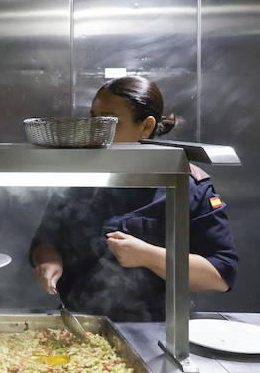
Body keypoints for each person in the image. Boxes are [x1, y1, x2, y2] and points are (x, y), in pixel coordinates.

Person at [30, 75, 237, 321]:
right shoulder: (82, 179)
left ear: (147, 126)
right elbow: (45, 241)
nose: (97, 129)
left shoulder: (186, 185)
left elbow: (221, 275)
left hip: (154, 329)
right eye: (94, 119)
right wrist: (48, 259)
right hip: (78, 322)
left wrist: (148, 255)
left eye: (110, 122)